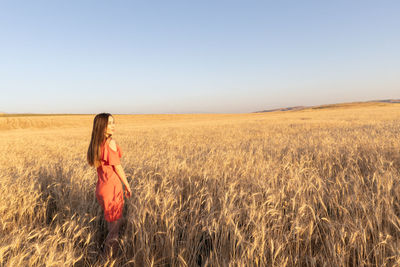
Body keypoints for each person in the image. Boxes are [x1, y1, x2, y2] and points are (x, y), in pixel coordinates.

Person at [87, 113, 132, 255]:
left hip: (101, 188)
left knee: (112, 224)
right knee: (114, 232)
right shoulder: (110, 143)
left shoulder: (96, 144)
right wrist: (127, 185)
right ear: (102, 127)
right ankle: (108, 261)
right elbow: (118, 167)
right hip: (112, 189)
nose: (113, 125)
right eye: (109, 123)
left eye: (114, 122)